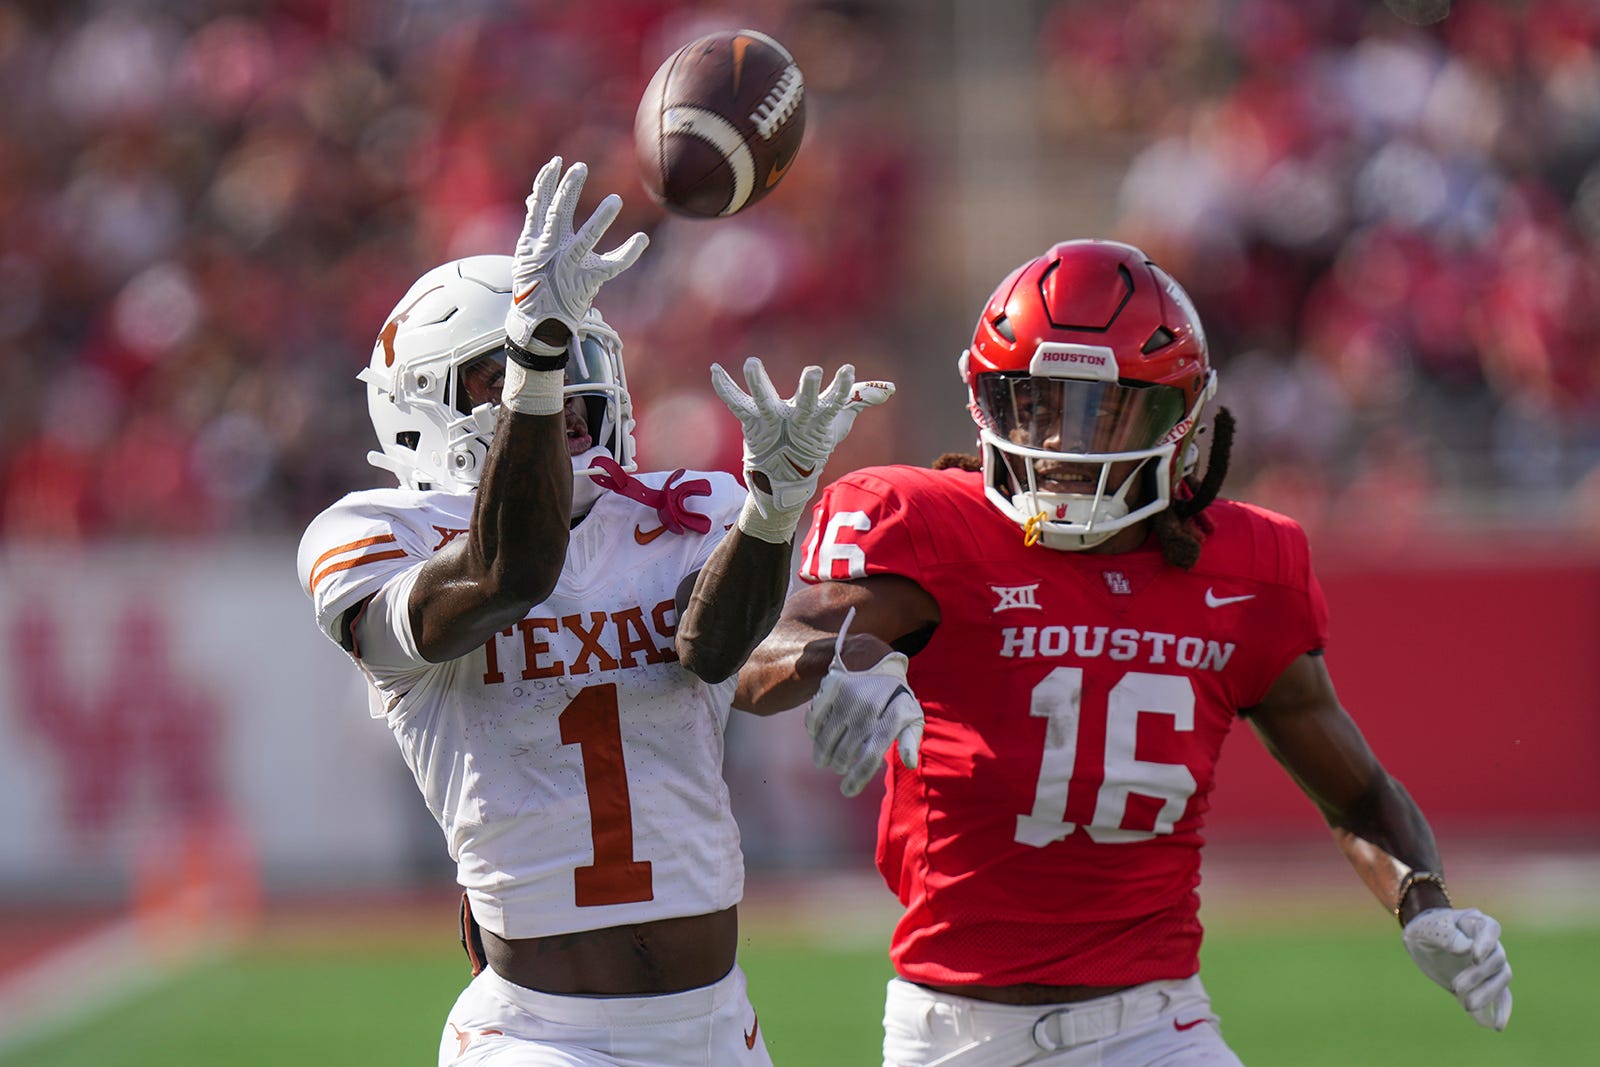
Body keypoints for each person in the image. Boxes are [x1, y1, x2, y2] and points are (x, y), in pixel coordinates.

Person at [735, 239, 1514, 1066]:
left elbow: (1356, 794)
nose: (1065, 444)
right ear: (986, 400)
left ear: (1181, 414)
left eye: (1102, 409)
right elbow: (762, 660)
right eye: (1036, 403)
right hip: (954, 1034)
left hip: (1157, 1029)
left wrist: (1422, 900)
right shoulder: (923, 525)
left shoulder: (1248, 570)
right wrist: (850, 662)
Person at [296, 155, 889, 1067]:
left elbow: (722, 647)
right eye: (518, 367)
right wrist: (532, 355)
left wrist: (826, 625)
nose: (568, 389)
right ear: (423, 410)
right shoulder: (381, 533)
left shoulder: (681, 505)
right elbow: (505, 574)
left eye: (573, 355)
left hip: (718, 1026)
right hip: (541, 1033)